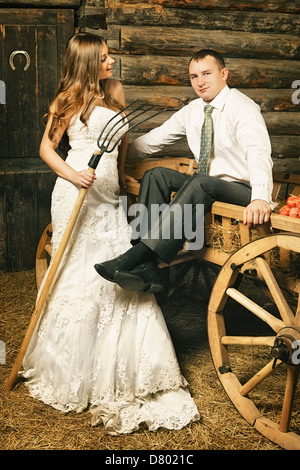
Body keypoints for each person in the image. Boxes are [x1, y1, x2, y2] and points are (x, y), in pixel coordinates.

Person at [20, 33, 199, 435]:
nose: (111, 62)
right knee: (79, 273)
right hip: (74, 194)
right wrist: (74, 173)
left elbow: (120, 150)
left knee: (122, 270)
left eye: (109, 55)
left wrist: (122, 187)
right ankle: (73, 367)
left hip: (108, 198)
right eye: (103, 58)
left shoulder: (115, 91)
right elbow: (47, 150)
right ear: (86, 62)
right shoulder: (66, 100)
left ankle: (132, 366)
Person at [94, 49, 273, 294]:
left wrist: (260, 197)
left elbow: (258, 151)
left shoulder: (242, 107)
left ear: (224, 73)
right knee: (157, 175)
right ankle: (150, 268)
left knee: (201, 182)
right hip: (207, 187)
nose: (200, 82)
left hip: (243, 191)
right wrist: (111, 158)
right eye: (193, 76)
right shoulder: (193, 110)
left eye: (207, 74)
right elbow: (151, 142)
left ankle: (135, 255)